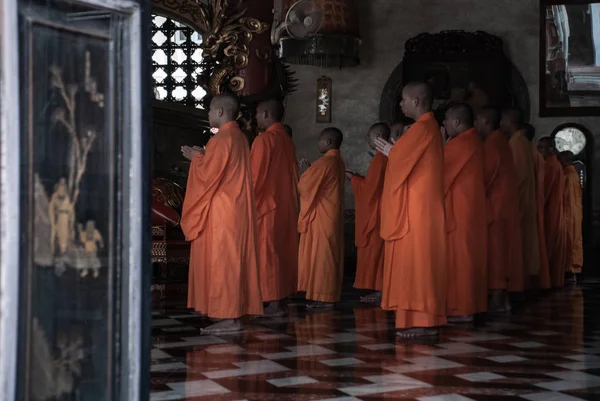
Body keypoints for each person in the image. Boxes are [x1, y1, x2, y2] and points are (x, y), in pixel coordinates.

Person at [180, 93, 263, 334]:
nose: (207, 114)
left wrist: (196, 158)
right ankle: (229, 312)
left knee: (223, 263)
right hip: (234, 210)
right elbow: (221, 170)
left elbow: (208, 176)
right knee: (230, 262)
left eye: (208, 110)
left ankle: (231, 317)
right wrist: (203, 156)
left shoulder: (222, 138)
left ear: (219, 112)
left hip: (223, 213)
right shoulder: (238, 137)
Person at [373, 82, 447, 338]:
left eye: (404, 99)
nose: (401, 104)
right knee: (414, 264)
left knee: (418, 264)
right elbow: (405, 159)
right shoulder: (428, 128)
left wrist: (391, 152)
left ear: (416, 101)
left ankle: (424, 321)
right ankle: (415, 319)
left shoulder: (423, 127)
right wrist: (395, 152)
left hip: (416, 211)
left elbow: (400, 160)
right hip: (418, 207)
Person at [251, 99, 299, 316]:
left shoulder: (265, 140)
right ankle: (282, 297)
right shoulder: (287, 140)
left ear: (267, 114)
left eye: (257, 113)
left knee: (268, 253)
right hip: (286, 205)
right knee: (281, 251)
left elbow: (255, 177)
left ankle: (273, 301)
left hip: (267, 206)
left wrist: (246, 201)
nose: (255, 118)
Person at [442, 103, 487, 322]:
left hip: (459, 211)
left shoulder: (461, 143)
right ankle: (469, 305)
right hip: (470, 209)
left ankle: (462, 308)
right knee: (467, 257)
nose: (444, 124)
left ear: (456, 122)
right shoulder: (474, 140)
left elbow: (438, 175)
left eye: (446, 120)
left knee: (460, 259)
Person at [475, 106, 521, 312]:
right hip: (503, 206)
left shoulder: (493, 144)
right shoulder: (501, 142)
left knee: (496, 254)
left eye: (476, 120)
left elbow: (483, 178)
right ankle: (501, 297)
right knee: (501, 251)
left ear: (485, 120)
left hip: (496, 208)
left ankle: (498, 297)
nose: (474, 124)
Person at [297, 128, 345, 307]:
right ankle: (324, 295)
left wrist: (305, 172)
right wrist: (311, 171)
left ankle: (324, 297)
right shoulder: (337, 162)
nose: (318, 143)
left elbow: (305, 186)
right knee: (327, 255)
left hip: (323, 218)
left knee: (323, 256)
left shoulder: (326, 162)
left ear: (328, 142)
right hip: (330, 216)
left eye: (320, 140)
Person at [348, 123, 389, 304]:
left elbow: (369, 191)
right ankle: (379, 289)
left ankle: (380, 290)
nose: (367, 140)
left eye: (369, 136)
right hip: (382, 210)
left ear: (379, 136)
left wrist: (353, 179)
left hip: (377, 214)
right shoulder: (384, 157)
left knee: (377, 254)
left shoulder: (380, 159)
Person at [500, 108, 539, 291]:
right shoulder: (518, 143)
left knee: (518, 245)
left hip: (518, 203)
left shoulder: (517, 143)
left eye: (503, 119)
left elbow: (517, 177)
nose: (501, 123)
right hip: (523, 202)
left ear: (510, 121)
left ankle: (517, 285)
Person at [537, 137, 567, 288]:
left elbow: (544, 193)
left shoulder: (549, 165)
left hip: (549, 212)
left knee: (547, 245)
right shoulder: (556, 164)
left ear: (551, 149)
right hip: (556, 211)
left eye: (542, 148)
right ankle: (554, 281)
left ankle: (546, 282)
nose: (539, 151)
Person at [524, 124, 551, 290]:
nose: (540, 150)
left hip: (531, 206)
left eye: (543, 147)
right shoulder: (538, 158)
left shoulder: (530, 154)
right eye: (539, 146)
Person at [560, 151, 583, 278]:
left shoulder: (568, 176)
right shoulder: (573, 174)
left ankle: (569, 269)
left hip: (569, 214)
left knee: (569, 240)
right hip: (575, 213)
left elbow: (565, 198)